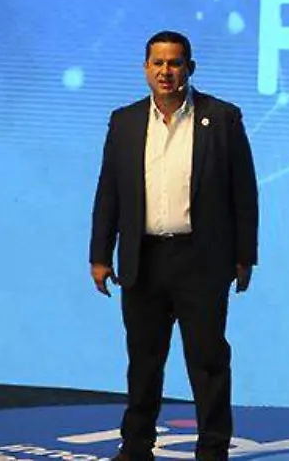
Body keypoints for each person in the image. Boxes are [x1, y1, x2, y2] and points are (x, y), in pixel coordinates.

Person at [89, 30, 259, 461]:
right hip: (143, 259)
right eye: (158, 63)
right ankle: (136, 445)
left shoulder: (221, 118)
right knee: (144, 359)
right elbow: (109, 192)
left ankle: (213, 449)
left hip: (201, 260)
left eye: (175, 63)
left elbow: (244, 192)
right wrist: (99, 255)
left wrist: (245, 256)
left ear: (190, 68)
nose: (166, 71)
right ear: (146, 68)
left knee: (208, 360)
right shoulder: (125, 121)